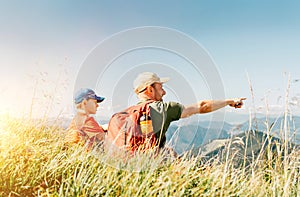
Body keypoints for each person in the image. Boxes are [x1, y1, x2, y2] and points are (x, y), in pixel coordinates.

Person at [133, 72, 246, 149]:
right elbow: (203, 106)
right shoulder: (162, 109)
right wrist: (230, 101)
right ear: (150, 90)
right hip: (151, 165)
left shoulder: (127, 114)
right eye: (161, 88)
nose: (164, 93)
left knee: (169, 152)